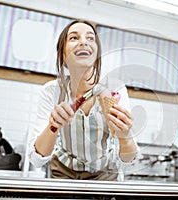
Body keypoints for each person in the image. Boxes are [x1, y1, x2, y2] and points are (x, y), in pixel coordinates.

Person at [28, 20, 138, 180]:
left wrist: (125, 134)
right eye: (74, 38)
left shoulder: (116, 90)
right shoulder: (51, 91)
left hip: (104, 177)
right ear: (63, 54)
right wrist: (53, 126)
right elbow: (37, 158)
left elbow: (128, 161)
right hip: (63, 175)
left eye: (90, 38)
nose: (84, 42)